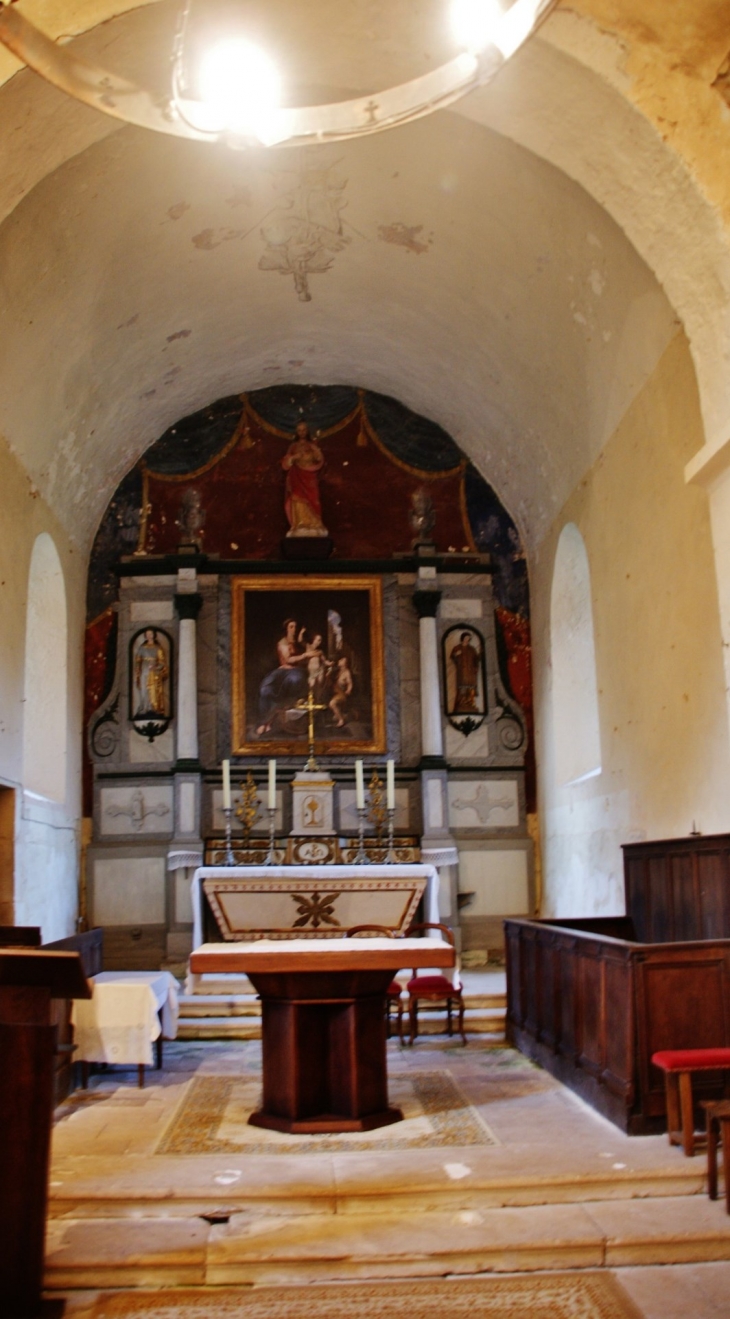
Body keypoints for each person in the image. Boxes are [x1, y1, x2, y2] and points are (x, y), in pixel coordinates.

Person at [256, 619, 310, 734]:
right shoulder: (283, 642)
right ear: (286, 629)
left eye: (296, 627)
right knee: (266, 688)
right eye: (291, 627)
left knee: (295, 680)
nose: (294, 630)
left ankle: (275, 721)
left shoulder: (300, 643)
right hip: (282, 671)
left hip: (296, 672)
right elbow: (288, 660)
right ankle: (264, 722)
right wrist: (306, 655)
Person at [281, 421, 329, 537]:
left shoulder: (312, 445)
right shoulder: (293, 447)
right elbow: (285, 464)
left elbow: (319, 459)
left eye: (304, 430)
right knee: (297, 498)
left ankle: (315, 525)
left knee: (313, 499)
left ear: (307, 431)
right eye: (299, 430)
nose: (302, 432)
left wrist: (316, 452)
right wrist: (293, 457)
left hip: (310, 478)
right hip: (297, 477)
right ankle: (299, 525)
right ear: (297, 432)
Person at [134, 629, 169, 716]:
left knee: (153, 689)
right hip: (144, 669)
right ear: (145, 636)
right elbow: (138, 660)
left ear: (154, 635)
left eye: (151, 634)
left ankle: (152, 708)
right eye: (147, 634)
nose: (149, 635)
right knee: (143, 689)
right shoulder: (142, 648)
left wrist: (155, 667)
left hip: (154, 671)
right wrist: (138, 667)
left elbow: (162, 662)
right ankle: (144, 708)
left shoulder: (158, 648)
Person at [450, 631, 481, 713]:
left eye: (468, 638)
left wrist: (479, 656)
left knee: (470, 686)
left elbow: (476, 659)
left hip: (470, 671)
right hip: (462, 671)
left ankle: (470, 703)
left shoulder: (471, 649)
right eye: (466, 637)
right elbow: (453, 656)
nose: (467, 639)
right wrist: (456, 654)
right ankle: (462, 703)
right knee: (462, 686)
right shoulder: (457, 648)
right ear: (463, 638)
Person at [329, 654, 354, 727]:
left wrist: (348, 690)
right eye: (340, 660)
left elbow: (350, 683)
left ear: (345, 662)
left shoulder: (347, 672)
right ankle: (340, 715)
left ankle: (341, 720)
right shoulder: (337, 671)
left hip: (342, 693)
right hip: (334, 693)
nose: (339, 661)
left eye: (341, 660)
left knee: (332, 703)